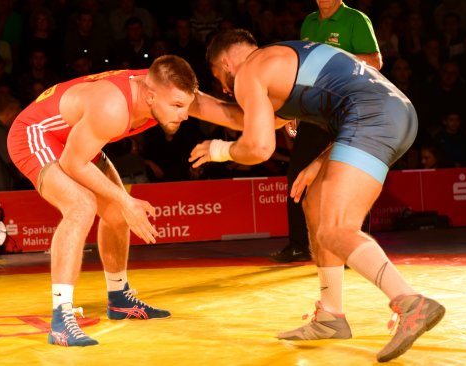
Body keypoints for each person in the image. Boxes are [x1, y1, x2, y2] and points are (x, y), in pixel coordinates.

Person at [189, 29, 445, 363]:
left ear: (226, 62)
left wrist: (218, 150)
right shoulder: (281, 62)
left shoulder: (251, 69)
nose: (225, 89)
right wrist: (191, 104)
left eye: (220, 79)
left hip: (371, 117)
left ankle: (411, 303)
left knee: (336, 229)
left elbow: (259, 146)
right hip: (392, 112)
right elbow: (244, 119)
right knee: (313, 204)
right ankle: (331, 316)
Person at [7, 54, 243, 347]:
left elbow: (225, 112)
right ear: (149, 95)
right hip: (37, 134)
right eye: (177, 107)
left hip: (77, 136)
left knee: (117, 212)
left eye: (186, 106)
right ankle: (61, 319)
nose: (184, 115)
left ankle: (119, 298)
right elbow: (72, 163)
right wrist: (126, 201)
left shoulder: (165, 85)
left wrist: (280, 115)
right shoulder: (112, 106)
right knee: (81, 206)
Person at [270, 0, 382, 263]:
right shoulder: (309, 22)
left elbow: (375, 62)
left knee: (350, 174)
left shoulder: (356, 19)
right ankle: (299, 245)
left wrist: (335, 62)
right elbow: (303, 72)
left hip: (347, 108)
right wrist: (295, 109)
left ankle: (354, 249)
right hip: (314, 111)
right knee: (298, 172)